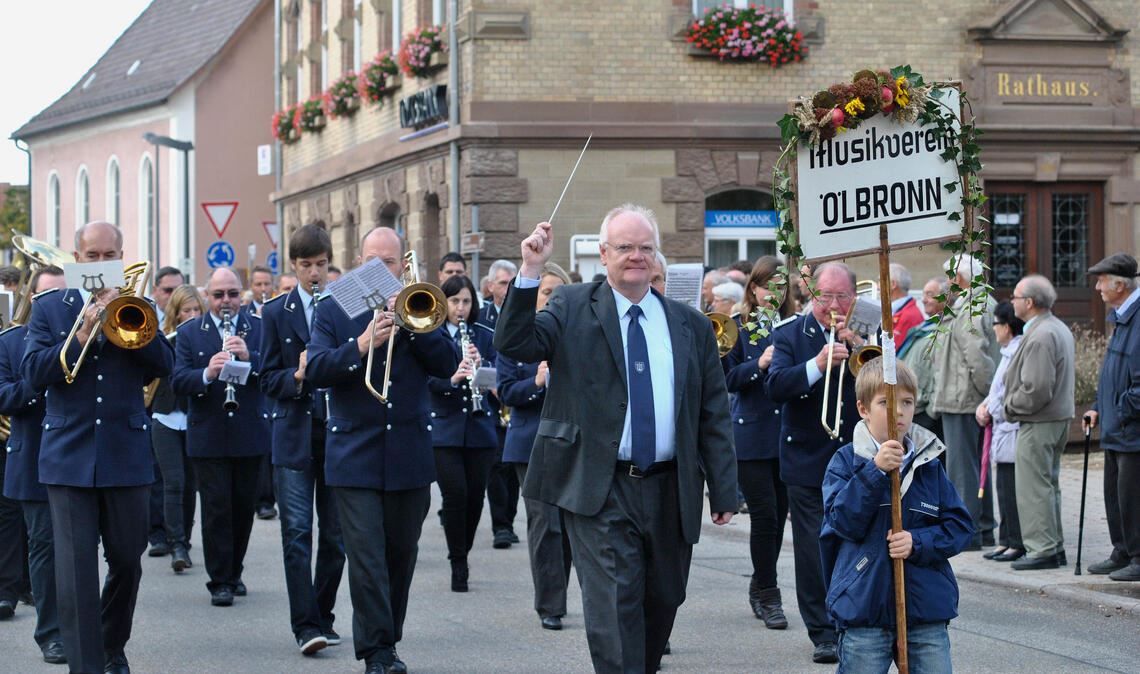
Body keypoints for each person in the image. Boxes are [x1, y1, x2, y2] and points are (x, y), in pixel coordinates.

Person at [494, 205, 737, 674]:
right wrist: (530, 270)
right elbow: (515, 344)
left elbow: (713, 413)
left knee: (662, 601)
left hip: (670, 487)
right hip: (601, 487)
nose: (636, 257)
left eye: (646, 248)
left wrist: (725, 488)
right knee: (613, 608)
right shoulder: (570, 305)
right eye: (625, 247)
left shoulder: (690, 325)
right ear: (603, 254)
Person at [22, 220, 174, 674]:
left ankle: (111, 645)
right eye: (92, 256)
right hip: (67, 457)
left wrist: (127, 324)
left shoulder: (139, 305)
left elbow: (164, 364)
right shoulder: (51, 308)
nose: (101, 263)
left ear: (120, 258)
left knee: (128, 561)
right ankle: (86, 666)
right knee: (75, 574)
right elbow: (32, 373)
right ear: (76, 259)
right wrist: (84, 333)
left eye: (110, 255)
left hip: (125, 455)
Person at [306, 226, 457, 674]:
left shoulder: (419, 304)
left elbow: (448, 365)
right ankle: (377, 652)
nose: (380, 269)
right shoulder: (334, 306)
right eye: (373, 260)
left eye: (389, 262)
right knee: (367, 556)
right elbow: (315, 368)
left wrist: (413, 326)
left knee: (400, 555)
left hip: (409, 454)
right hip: (353, 455)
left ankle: (388, 639)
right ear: (359, 260)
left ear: (402, 265)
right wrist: (361, 344)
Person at [820, 357, 973, 673]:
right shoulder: (845, 462)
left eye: (907, 402)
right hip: (864, 606)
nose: (898, 411)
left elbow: (959, 527)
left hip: (924, 609)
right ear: (863, 409)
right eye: (886, 402)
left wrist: (917, 542)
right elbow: (841, 521)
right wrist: (875, 470)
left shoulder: (928, 462)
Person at [766, 261, 865, 664]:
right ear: (812, 295)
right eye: (826, 297)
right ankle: (823, 630)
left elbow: (891, 385)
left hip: (856, 457)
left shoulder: (870, 333)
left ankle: (855, 619)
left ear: (855, 298)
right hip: (806, 457)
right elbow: (775, 386)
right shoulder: (791, 333)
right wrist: (818, 365)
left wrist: (861, 351)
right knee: (812, 547)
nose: (834, 305)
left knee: (854, 543)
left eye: (843, 296)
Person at [259, 224, 346, 653]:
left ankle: (324, 614)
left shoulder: (346, 305)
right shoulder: (277, 312)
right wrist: (295, 375)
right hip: (295, 432)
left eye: (321, 264)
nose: (315, 273)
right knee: (297, 532)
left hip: (338, 433)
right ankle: (305, 625)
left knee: (336, 535)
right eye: (307, 265)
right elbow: (265, 377)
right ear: (293, 267)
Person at [172, 267, 269, 605]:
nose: (226, 301)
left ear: (241, 294)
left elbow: (274, 372)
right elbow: (177, 380)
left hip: (249, 431)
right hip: (208, 432)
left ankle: (234, 570)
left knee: (242, 508)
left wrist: (249, 358)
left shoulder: (258, 328)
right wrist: (206, 373)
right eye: (218, 295)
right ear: (206, 296)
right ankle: (220, 580)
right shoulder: (189, 333)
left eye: (232, 294)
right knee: (216, 509)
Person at [498, 262, 573, 630]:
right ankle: (550, 604)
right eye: (545, 293)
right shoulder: (517, 336)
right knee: (545, 524)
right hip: (530, 442)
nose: (552, 299)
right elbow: (506, 390)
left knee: (573, 524)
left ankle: (568, 592)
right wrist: (538, 382)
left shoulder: (575, 334)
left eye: (558, 293)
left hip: (572, 442)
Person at [0, 265, 67, 664]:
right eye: (47, 296)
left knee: (82, 549)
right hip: (34, 457)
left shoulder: (92, 337)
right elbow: (5, 396)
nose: (57, 303)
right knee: (43, 548)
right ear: (31, 299)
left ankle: (89, 627)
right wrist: (44, 373)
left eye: (63, 294)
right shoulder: (11, 342)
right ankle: (52, 634)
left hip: (81, 457)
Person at [722, 256, 792, 630]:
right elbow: (727, 378)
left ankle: (758, 580)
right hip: (750, 434)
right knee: (764, 515)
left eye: (780, 287)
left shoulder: (792, 326)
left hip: (786, 434)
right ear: (753, 288)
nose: (774, 294)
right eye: (768, 286)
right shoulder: (738, 328)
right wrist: (759, 365)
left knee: (779, 516)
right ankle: (768, 592)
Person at [428, 275, 499, 591]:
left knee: (474, 499)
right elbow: (425, 381)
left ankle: (463, 550)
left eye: (466, 301)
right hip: (445, 429)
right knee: (454, 496)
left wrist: (482, 371)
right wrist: (453, 379)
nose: (460, 307)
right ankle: (458, 562)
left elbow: (501, 380)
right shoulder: (431, 335)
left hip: (480, 428)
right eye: (454, 301)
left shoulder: (484, 335)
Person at [1003, 274, 1075, 570]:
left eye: (1016, 297)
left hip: (1039, 420)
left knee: (1033, 487)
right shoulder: (1056, 327)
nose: (1012, 302)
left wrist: (1009, 406)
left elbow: (1036, 389)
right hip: (1055, 418)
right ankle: (1052, 546)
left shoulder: (1042, 334)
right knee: (1047, 485)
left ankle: (1043, 549)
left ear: (1029, 303)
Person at [930, 254, 998, 550]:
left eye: (949, 277)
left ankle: (969, 532)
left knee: (963, 469)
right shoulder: (974, 303)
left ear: (960, 279)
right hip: (966, 397)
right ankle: (982, 528)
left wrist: (988, 392)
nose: (947, 283)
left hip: (964, 399)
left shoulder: (971, 306)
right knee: (975, 466)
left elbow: (977, 358)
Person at [1084, 253, 1140, 581]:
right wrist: (1097, 407)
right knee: (1114, 494)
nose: (1097, 287)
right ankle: (1122, 550)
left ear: (1119, 284)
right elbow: (1112, 374)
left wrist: (1118, 413)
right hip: (1117, 426)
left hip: (1131, 429)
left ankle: (1137, 555)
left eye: (1102, 280)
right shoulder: (1121, 317)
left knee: (1132, 497)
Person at [151, 285, 205, 574]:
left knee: (190, 486)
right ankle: (177, 544)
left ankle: (183, 536)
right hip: (165, 418)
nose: (193, 316)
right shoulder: (164, 340)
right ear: (176, 313)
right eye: (187, 311)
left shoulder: (208, 339)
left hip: (195, 419)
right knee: (173, 482)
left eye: (197, 310)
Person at [976, 301, 1026, 563]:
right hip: (1000, 427)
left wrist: (988, 409)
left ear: (1007, 327)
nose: (993, 329)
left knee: (1010, 488)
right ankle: (1006, 539)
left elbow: (1008, 390)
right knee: (1002, 487)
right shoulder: (1007, 352)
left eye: (996, 324)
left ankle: (1016, 541)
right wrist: (984, 406)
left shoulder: (1017, 351)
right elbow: (996, 389)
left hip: (1011, 428)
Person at [479, 259, 520, 549]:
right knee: (496, 465)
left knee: (513, 464)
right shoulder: (481, 319)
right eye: (503, 283)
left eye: (512, 283)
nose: (508, 289)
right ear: (491, 286)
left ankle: (509, 518)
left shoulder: (523, 314)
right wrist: (491, 383)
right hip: (490, 401)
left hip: (516, 398)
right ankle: (500, 525)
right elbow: (475, 356)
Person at [899, 277, 948, 439]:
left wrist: (930, 414)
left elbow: (942, 374)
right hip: (913, 408)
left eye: (930, 294)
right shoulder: (924, 327)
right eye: (923, 294)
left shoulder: (946, 330)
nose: (924, 299)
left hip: (927, 414)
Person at [888, 262, 923, 345]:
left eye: (880, 281)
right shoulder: (904, 310)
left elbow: (893, 353)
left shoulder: (908, 316)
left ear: (893, 284)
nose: (878, 286)